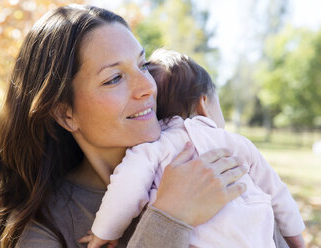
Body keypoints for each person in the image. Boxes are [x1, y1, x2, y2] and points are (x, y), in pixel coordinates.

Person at [0, 4, 286, 248]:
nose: (147, 87)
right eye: (114, 78)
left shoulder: (205, 166)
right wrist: (171, 217)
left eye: (142, 65)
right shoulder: (46, 228)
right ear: (65, 114)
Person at [86, 49, 306, 248]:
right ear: (204, 104)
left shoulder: (153, 148)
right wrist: (295, 238)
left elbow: (126, 188)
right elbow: (276, 192)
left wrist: (104, 232)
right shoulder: (235, 143)